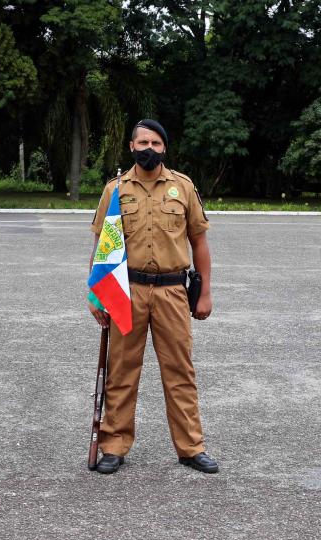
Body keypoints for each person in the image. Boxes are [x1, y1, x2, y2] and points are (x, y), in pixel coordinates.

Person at [87, 119, 218, 475]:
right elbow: (103, 246)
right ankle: (113, 446)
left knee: (179, 371)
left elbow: (200, 242)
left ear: (165, 148)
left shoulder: (183, 188)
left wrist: (204, 292)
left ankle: (191, 447)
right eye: (143, 142)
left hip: (172, 292)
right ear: (131, 146)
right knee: (122, 371)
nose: (149, 149)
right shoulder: (114, 190)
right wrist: (96, 295)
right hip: (125, 291)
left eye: (156, 143)